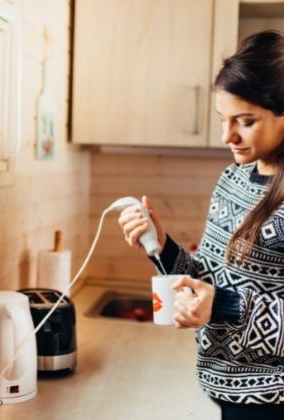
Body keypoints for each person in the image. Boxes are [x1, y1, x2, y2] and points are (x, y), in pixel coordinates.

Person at [118, 30, 284, 420]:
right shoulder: (232, 179)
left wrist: (223, 306)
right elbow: (205, 279)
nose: (228, 136)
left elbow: (220, 300)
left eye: (246, 121)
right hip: (223, 385)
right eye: (224, 119)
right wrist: (162, 246)